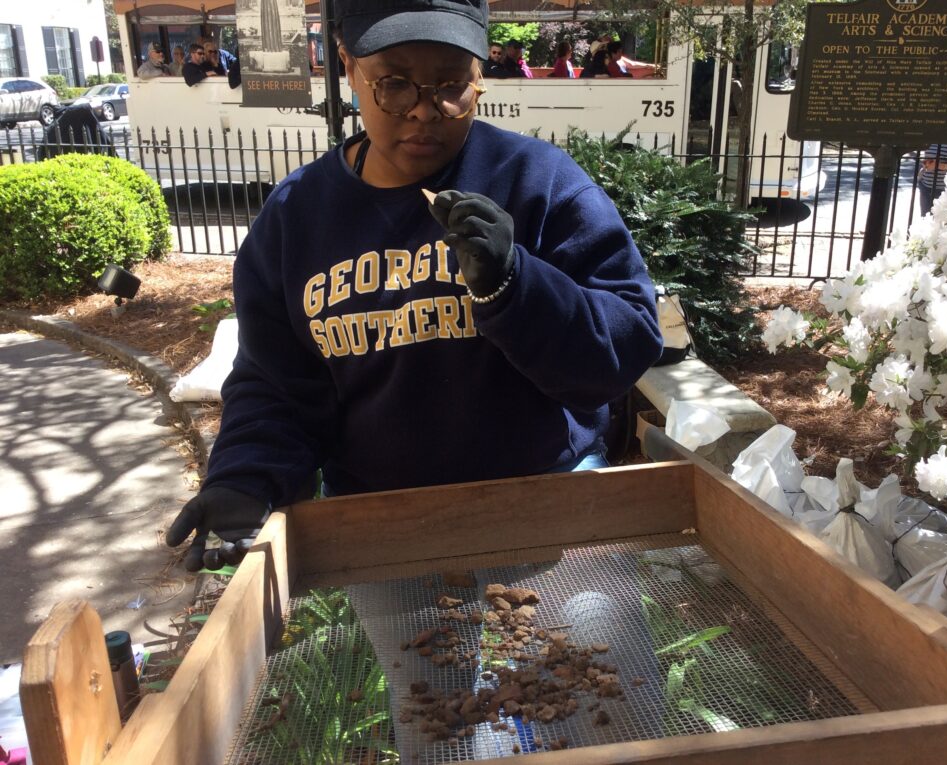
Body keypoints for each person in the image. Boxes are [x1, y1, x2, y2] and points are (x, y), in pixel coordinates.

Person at [165, 0, 661, 572]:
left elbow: (624, 351)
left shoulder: (539, 182)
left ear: (480, 79)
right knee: (428, 665)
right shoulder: (296, 217)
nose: (426, 111)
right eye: (395, 84)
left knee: (582, 660)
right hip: (382, 525)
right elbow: (277, 380)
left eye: (452, 84)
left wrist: (515, 285)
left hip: (546, 502)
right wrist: (248, 476)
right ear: (349, 67)